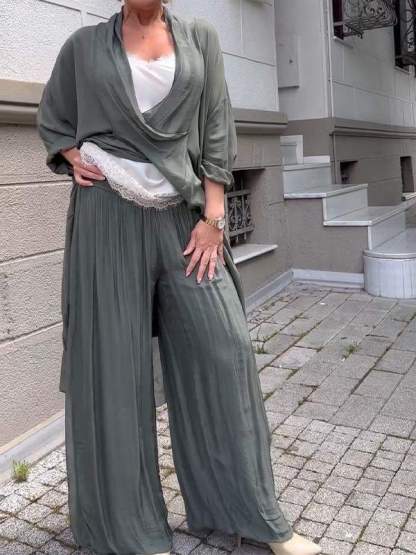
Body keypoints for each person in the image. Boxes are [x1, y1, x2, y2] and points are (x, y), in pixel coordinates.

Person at [36, 1, 322, 554]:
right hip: (107, 218)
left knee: (225, 350)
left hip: (184, 219)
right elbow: (53, 117)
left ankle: (253, 515)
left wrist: (215, 216)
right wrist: (71, 153)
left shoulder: (200, 39)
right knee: (113, 368)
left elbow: (215, 123)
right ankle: (129, 531)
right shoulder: (82, 47)